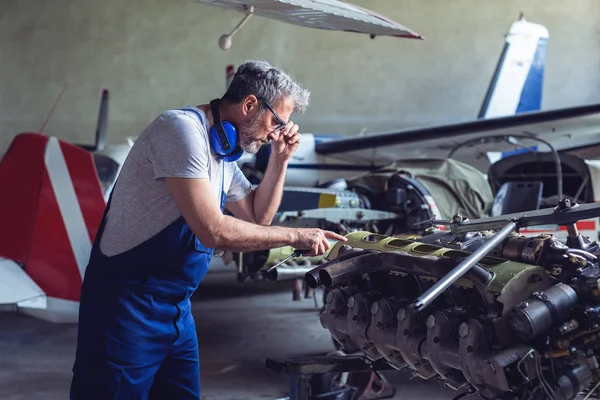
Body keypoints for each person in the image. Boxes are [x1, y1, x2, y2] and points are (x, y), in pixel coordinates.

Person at [69, 59, 347, 399]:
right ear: (249, 105)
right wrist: (298, 235)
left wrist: (280, 158)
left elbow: (257, 217)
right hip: (126, 307)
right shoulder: (181, 130)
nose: (276, 132)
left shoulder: (223, 154)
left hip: (177, 310)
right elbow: (212, 230)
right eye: (276, 122)